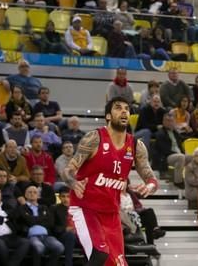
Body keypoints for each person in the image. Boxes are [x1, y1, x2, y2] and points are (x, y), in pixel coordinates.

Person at [62, 97, 159, 265]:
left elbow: (150, 177)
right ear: (108, 116)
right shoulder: (94, 138)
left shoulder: (136, 146)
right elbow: (68, 170)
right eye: (118, 108)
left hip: (112, 214)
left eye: (126, 109)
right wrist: (73, 182)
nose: (123, 111)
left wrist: (150, 186)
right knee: (100, 253)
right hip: (85, 209)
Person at [0, 184, 30, 266]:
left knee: (26, 242)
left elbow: (14, 215)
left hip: (12, 236)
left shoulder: (7, 205)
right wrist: (4, 217)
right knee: (1, 246)